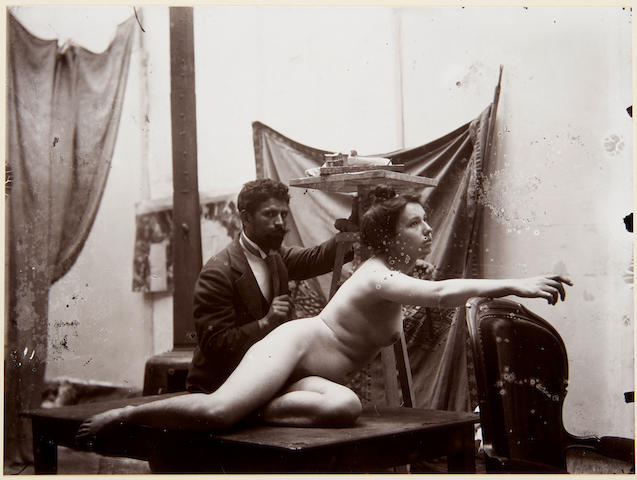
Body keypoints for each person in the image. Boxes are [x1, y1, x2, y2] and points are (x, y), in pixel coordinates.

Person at [77, 186, 571, 438]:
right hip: (294, 346)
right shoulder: (376, 274)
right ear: (391, 237)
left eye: (426, 222)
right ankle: (128, 413)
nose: (427, 230)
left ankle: (256, 406)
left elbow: (432, 291)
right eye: (415, 224)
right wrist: (517, 283)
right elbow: (441, 295)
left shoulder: (393, 272)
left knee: (344, 407)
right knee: (219, 411)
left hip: (310, 377)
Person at [186, 178, 353, 393]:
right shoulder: (217, 272)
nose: (280, 222)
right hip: (218, 386)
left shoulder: (276, 256)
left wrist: (350, 232)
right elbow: (215, 345)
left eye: (283, 214)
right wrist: (265, 323)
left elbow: (315, 258)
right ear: (245, 218)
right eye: (270, 214)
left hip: (262, 379)